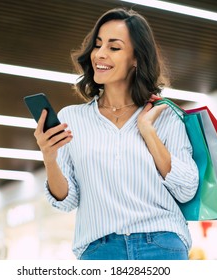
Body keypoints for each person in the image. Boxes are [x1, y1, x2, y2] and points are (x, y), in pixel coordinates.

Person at [34, 7, 199, 260]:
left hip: (162, 245)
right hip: (100, 250)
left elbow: (186, 189)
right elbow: (66, 201)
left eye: (114, 47)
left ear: (136, 58)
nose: (99, 54)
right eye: (98, 45)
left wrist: (148, 132)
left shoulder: (164, 116)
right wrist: (49, 157)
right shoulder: (72, 118)